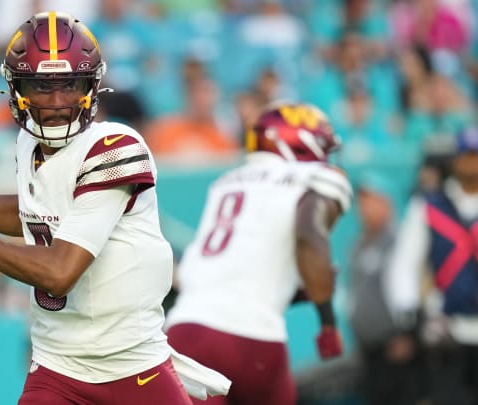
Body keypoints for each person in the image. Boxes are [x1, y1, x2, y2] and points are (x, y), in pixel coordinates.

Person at [0, 11, 229, 405]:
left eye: (70, 85)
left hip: (132, 366)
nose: (57, 102)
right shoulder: (27, 145)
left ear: (91, 86)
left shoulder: (116, 149)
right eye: (41, 86)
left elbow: (60, 271)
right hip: (59, 367)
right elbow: (33, 213)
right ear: (18, 90)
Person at [165, 101, 353, 405]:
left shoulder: (225, 183)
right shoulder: (314, 177)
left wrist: (291, 292)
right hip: (251, 339)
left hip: (184, 330)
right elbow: (309, 234)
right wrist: (327, 322)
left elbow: (225, 272)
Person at [385, 127, 478, 405]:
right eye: (467, 156)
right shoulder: (429, 205)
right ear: (454, 160)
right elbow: (404, 262)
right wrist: (409, 314)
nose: (472, 163)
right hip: (448, 329)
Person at [348, 173, 429, 405]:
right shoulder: (359, 244)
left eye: (372, 200)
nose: (365, 208)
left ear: (387, 203)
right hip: (369, 349)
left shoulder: (401, 241)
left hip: (396, 347)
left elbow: (413, 288)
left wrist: (407, 333)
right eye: (362, 201)